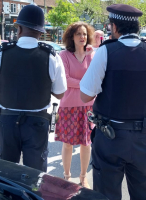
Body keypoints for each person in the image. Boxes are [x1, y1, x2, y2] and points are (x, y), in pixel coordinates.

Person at [80, 4, 146, 200]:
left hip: (109, 138)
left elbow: (85, 96)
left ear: (115, 27)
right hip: (143, 139)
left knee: (106, 196)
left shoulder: (105, 52)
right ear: (137, 27)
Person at [0, 5, 67, 172]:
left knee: (7, 171)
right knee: (35, 174)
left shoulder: (1, 52)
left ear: (19, 29)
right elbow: (60, 93)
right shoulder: (51, 55)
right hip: (37, 123)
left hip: (8, 122)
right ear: (41, 32)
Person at [55, 22, 95, 188]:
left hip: (88, 106)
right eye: (78, 34)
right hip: (68, 106)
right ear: (71, 36)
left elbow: (97, 77)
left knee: (86, 144)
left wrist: (82, 83)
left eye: (84, 34)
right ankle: (66, 175)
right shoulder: (63, 55)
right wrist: (86, 83)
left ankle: (83, 176)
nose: (82, 37)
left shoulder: (92, 55)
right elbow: (65, 80)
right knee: (68, 144)